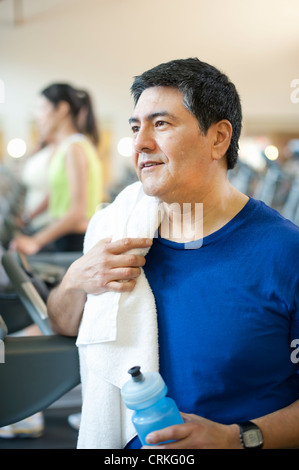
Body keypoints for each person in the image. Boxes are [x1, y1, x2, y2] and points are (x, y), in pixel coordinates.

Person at [47, 58, 299, 449]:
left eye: (160, 124)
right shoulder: (119, 234)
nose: (140, 143)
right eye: (136, 127)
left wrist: (238, 438)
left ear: (218, 139)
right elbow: (63, 323)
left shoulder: (285, 252)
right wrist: (74, 281)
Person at [10, 83, 103, 255]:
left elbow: (77, 212)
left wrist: (35, 241)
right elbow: (56, 194)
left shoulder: (75, 148)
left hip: (75, 238)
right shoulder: (66, 147)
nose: (39, 115)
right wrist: (28, 218)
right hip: (66, 234)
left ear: (62, 109)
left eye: (42, 107)